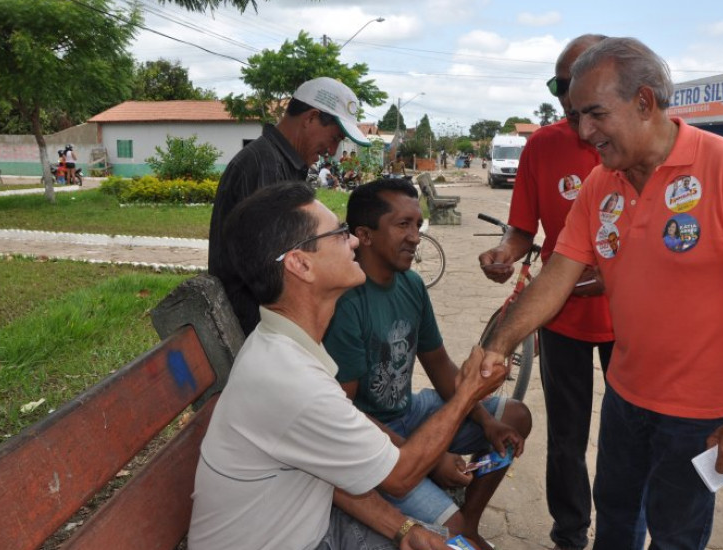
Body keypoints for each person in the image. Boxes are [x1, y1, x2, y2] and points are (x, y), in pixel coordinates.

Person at [479, 37, 723, 550]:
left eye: (596, 114)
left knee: (675, 535)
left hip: (699, 414)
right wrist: (498, 345)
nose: (584, 131)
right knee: (617, 521)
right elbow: (557, 276)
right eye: (578, 115)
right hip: (626, 397)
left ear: (645, 102)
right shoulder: (603, 184)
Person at [188, 181, 508, 550]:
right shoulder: (292, 380)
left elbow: (332, 473)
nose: (354, 240)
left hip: (308, 525)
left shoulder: (289, 346)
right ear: (301, 264)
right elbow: (401, 476)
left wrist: (403, 529)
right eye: (340, 233)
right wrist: (468, 391)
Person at [324, 179, 532, 549]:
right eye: (402, 225)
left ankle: (470, 520)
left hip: (410, 412)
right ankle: (458, 527)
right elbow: (345, 415)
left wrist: (486, 422)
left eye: (418, 225)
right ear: (364, 235)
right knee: (450, 533)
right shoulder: (348, 302)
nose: (415, 237)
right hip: (375, 438)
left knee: (514, 416)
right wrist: (431, 458)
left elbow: (437, 363)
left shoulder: (412, 285)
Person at [478, 34, 612, 550]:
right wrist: (505, 255)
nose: (564, 97)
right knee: (567, 436)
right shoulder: (542, 145)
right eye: (557, 86)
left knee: (632, 434)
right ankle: (570, 534)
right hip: (562, 317)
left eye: (572, 85)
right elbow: (522, 230)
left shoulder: (627, 146)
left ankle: (623, 529)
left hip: (629, 321)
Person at [208, 77, 371, 336]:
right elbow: (273, 268)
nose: (332, 150)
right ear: (311, 118)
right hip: (256, 327)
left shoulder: (283, 164)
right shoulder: (263, 166)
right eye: (334, 137)